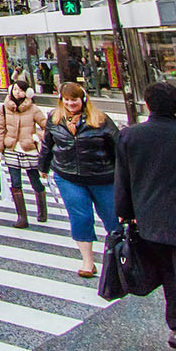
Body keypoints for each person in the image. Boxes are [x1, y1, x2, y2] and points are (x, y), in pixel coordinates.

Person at [114, 81, 176, 351]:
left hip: (150, 222)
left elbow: (123, 179)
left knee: (170, 276)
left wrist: (125, 214)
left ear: (147, 105)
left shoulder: (129, 136)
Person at [38, 81, 119, 278]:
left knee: (113, 218)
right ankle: (88, 261)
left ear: (83, 99)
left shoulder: (100, 119)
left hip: (103, 176)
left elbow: (118, 147)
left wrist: (123, 173)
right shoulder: (55, 119)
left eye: (73, 99)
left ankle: (120, 259)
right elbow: (48, 144)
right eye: (66, 100)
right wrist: (43, 166)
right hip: (68, 176)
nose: (70, 103)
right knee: (81, 217)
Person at [0, 80, 49, 229]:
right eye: (15, 89)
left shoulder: (33, 108)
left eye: (21, 90)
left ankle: (42, 211)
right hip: (11, 149)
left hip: (29, 149)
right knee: (16, 183)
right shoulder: (4, 108)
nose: (17, 92)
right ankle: (22, 217)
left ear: (27, 92)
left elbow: (47, 126)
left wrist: (38, 136)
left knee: (35, 180)